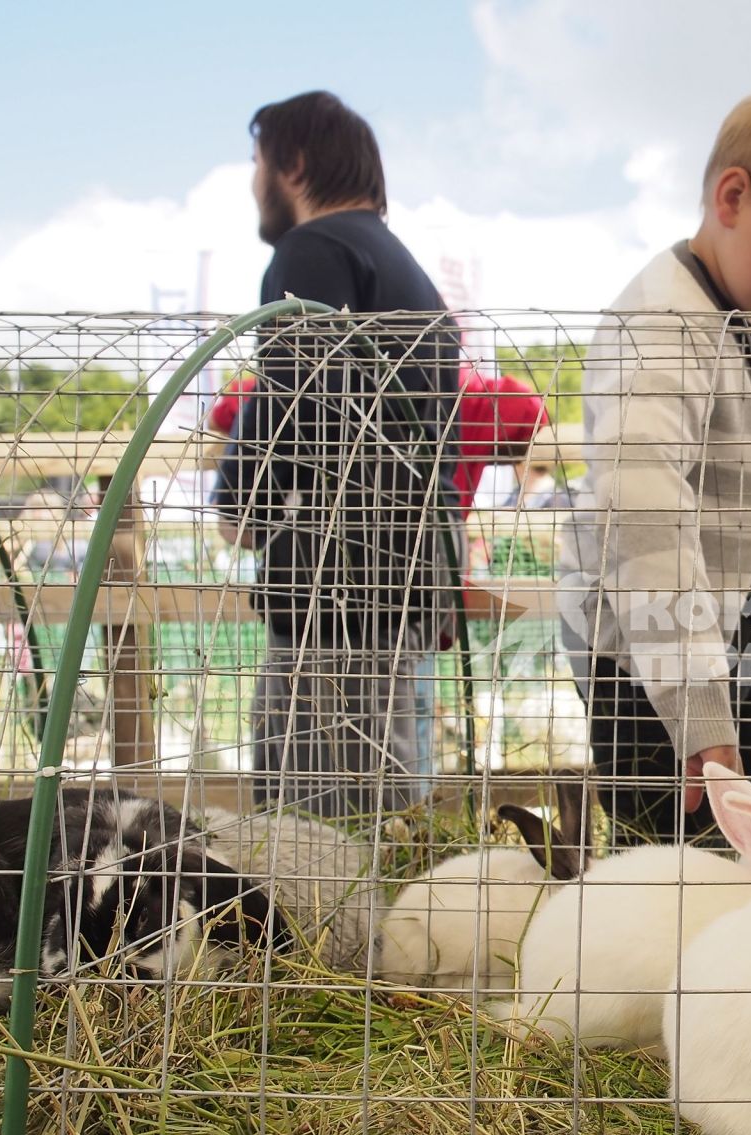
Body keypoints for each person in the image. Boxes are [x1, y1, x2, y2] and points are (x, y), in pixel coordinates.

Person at [559, 86, 751, 844]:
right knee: (670, 868)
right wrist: (699, 706)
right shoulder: (662, 325)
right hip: (649, 662)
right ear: (732, 195)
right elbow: (645, 516)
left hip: (744, 637)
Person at [212, 90, 461, 820]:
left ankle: (324, 935)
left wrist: (240, 502)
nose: (254, 181)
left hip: (337, 582)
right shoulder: (399, 266)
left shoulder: (316, 249)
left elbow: (294, 386)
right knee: (384, 793)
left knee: (311, 815)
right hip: (400, 571)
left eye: (257, 161)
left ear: (290, 161)